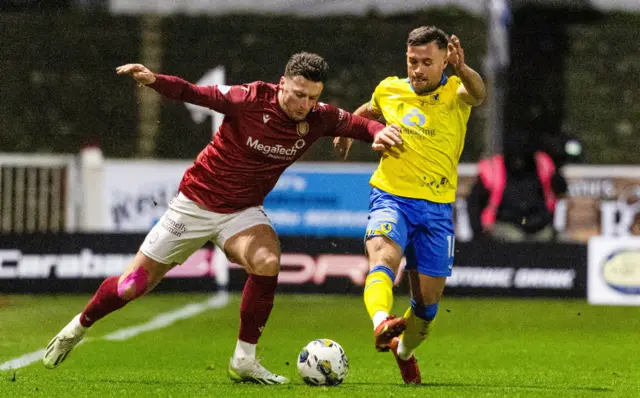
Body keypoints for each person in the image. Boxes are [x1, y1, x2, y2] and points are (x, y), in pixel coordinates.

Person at [42, 52, 402, 384]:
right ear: (282, 84)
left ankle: (244, 360)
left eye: (312, 97)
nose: (304, 105)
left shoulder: (318, 117)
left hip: (242, 213)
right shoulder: (249, 98)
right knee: (131, 286)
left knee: (267, 260)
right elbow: (194, 93)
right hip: (194, 204)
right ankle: (77, 326)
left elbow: (358, 124)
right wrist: (154, 80)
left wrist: (377, 131)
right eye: (298, 95)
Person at [334, 26, 485, 384]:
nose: (417, 69)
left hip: (436, 209)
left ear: (444, 60)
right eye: (412, 61)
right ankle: (381, 322)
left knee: (427, 309)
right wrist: (350, 131)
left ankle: (403, 350)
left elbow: (479, 94)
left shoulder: (455, 91)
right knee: (383, 258)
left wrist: (463, 69)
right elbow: (367, 110)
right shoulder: (390, 89)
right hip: (391, 196)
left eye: (426, 62)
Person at [467, 133, 568, 242]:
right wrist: (478, 234)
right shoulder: (493, 169)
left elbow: (561, 189)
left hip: (539, 226)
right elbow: (474, 203)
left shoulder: (543, 165)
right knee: (516, 239)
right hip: (505, 224)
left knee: (559, 240)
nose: (519, 161)